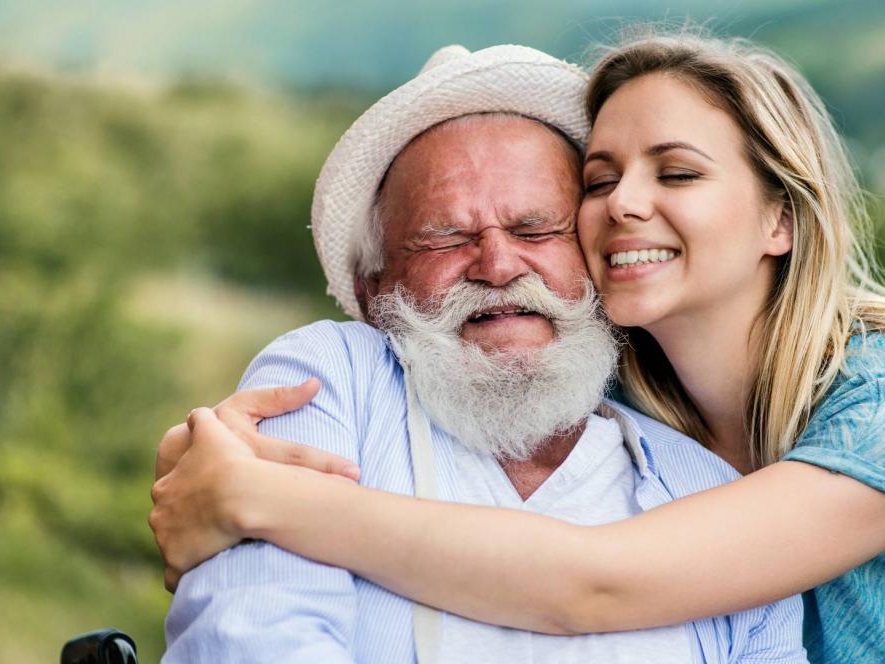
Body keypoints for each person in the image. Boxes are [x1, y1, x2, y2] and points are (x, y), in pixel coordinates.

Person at [152, 33, 885, 662]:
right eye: (598, 177)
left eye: (677, 171)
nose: (625, 201)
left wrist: (263, 500)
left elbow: (594, 584)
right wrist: (199, 475)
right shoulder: (621, 402)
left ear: (780, 220)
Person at [152, 43, 806, 663]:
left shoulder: (708, 493)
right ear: (372, 287)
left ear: (598, 255)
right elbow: (254, 636)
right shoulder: (330, 381)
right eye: (445, 238)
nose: (497, 265)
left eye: (536, 229)